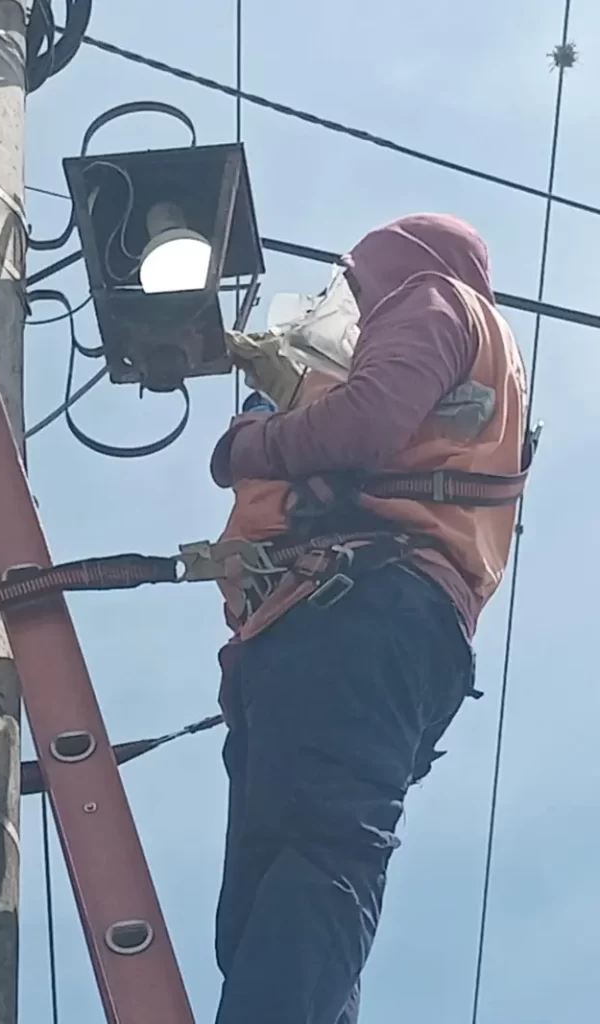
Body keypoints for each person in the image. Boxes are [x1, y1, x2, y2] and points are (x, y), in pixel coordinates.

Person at [208, 213, 532, 1024]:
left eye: (355, 287)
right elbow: (377, 421)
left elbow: (365, 424)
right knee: (269, 896)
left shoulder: (434, 296)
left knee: (315, 860)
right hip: (330, 623)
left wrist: (248, 443)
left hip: (363, 613)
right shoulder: (460, 365)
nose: (352, 309)